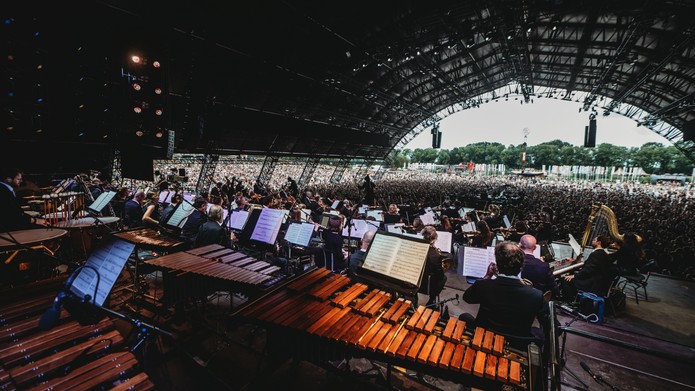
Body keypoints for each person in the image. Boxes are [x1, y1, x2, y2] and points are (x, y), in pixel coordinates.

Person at [461, 241, 547, 340]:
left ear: (498, 264)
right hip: (517, 342)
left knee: (465, 316)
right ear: (521, 266)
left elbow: (467, 298)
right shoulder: (536, 295)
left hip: (485, 337)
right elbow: (549, 325)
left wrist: (488, 275)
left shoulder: (483, 285)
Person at [520, 234, 560, 300]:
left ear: (520, 245)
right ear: (535, 248)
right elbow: (554, 288)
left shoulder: (513, 263)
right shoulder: (544, 266)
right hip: (538, 300)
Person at [419, 226, 447, 306]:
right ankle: (432, 299)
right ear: (434, 239)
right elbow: (440, 275)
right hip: (425, 287)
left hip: (415, 281)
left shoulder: (415, 248)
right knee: (444, 278)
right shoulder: (435, 256)